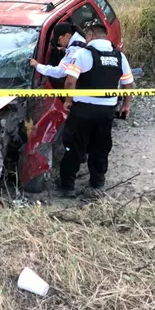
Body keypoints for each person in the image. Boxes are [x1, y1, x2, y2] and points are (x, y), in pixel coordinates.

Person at [59, 21, 134, 197]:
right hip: (106, 111)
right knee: (100, 147)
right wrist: (126, 105)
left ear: (91, 36)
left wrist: (68, 100)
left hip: (83, 111)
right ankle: (97, 185)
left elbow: (70, 81)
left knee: (74, 147)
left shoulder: (83, 54)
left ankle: (67, 187)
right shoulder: (119, 56)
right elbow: (128, 84)